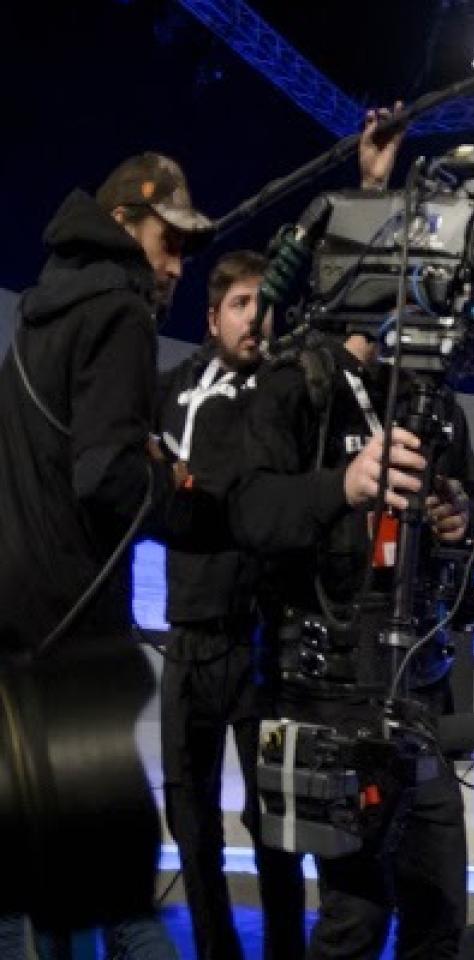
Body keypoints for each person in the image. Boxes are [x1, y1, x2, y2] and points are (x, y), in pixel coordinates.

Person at [154, 104, 404, 960]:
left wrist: (368, 190)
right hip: (185, 637)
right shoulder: (174, 387)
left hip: (257, 635)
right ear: (214, 315)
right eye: (239, 303)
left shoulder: (282, 388)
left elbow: (329, 276)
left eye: (265, 302)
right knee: (189, 821)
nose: (255, 316)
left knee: (274, 822)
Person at [0, 150, 218, 960]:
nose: (174, 269)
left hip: (17, 645)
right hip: (77, 647)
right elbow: (106, 480)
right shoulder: (120, 311)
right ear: (125, 224)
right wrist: (179, 495)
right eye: (169, 244)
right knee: (118, 902)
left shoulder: (40, 314)